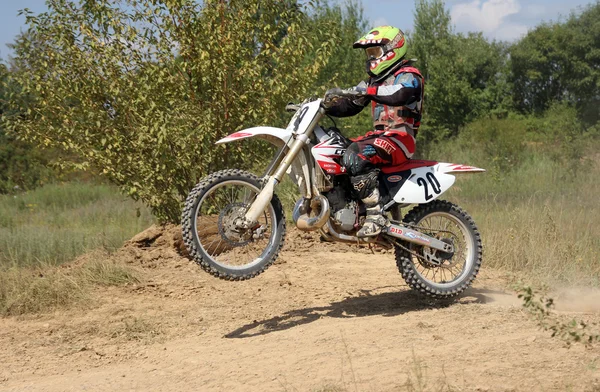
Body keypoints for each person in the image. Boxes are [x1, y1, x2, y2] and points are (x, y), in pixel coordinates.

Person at [322, 26, 424, 238]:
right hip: (380, 138)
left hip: (400, 139)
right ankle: (345, 213)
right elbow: (351, 106)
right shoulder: (374, 82)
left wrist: (367, 90)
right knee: (337, 151)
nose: (370, 58)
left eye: (374, 53)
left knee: (355, 155)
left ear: (392, 48)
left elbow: (398, 94)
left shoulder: (409, 75)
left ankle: (376, 215)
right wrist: (323, 106)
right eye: (368, 54)